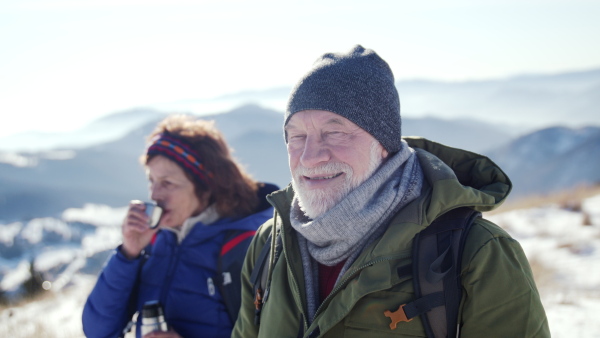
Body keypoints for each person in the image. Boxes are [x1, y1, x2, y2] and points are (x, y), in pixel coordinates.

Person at [232, 45, 550, 337]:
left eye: (334, 132)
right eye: (296, 136)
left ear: (384, 144)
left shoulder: (477, 253)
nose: (310, 156)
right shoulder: (270, 244)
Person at [82, 115, 278, 338]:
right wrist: (129, 253)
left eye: (168, 183)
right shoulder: (155, 240)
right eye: (151, 181)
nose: (154, 195)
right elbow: (98, 331)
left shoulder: (248, 245)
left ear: (206, 186)